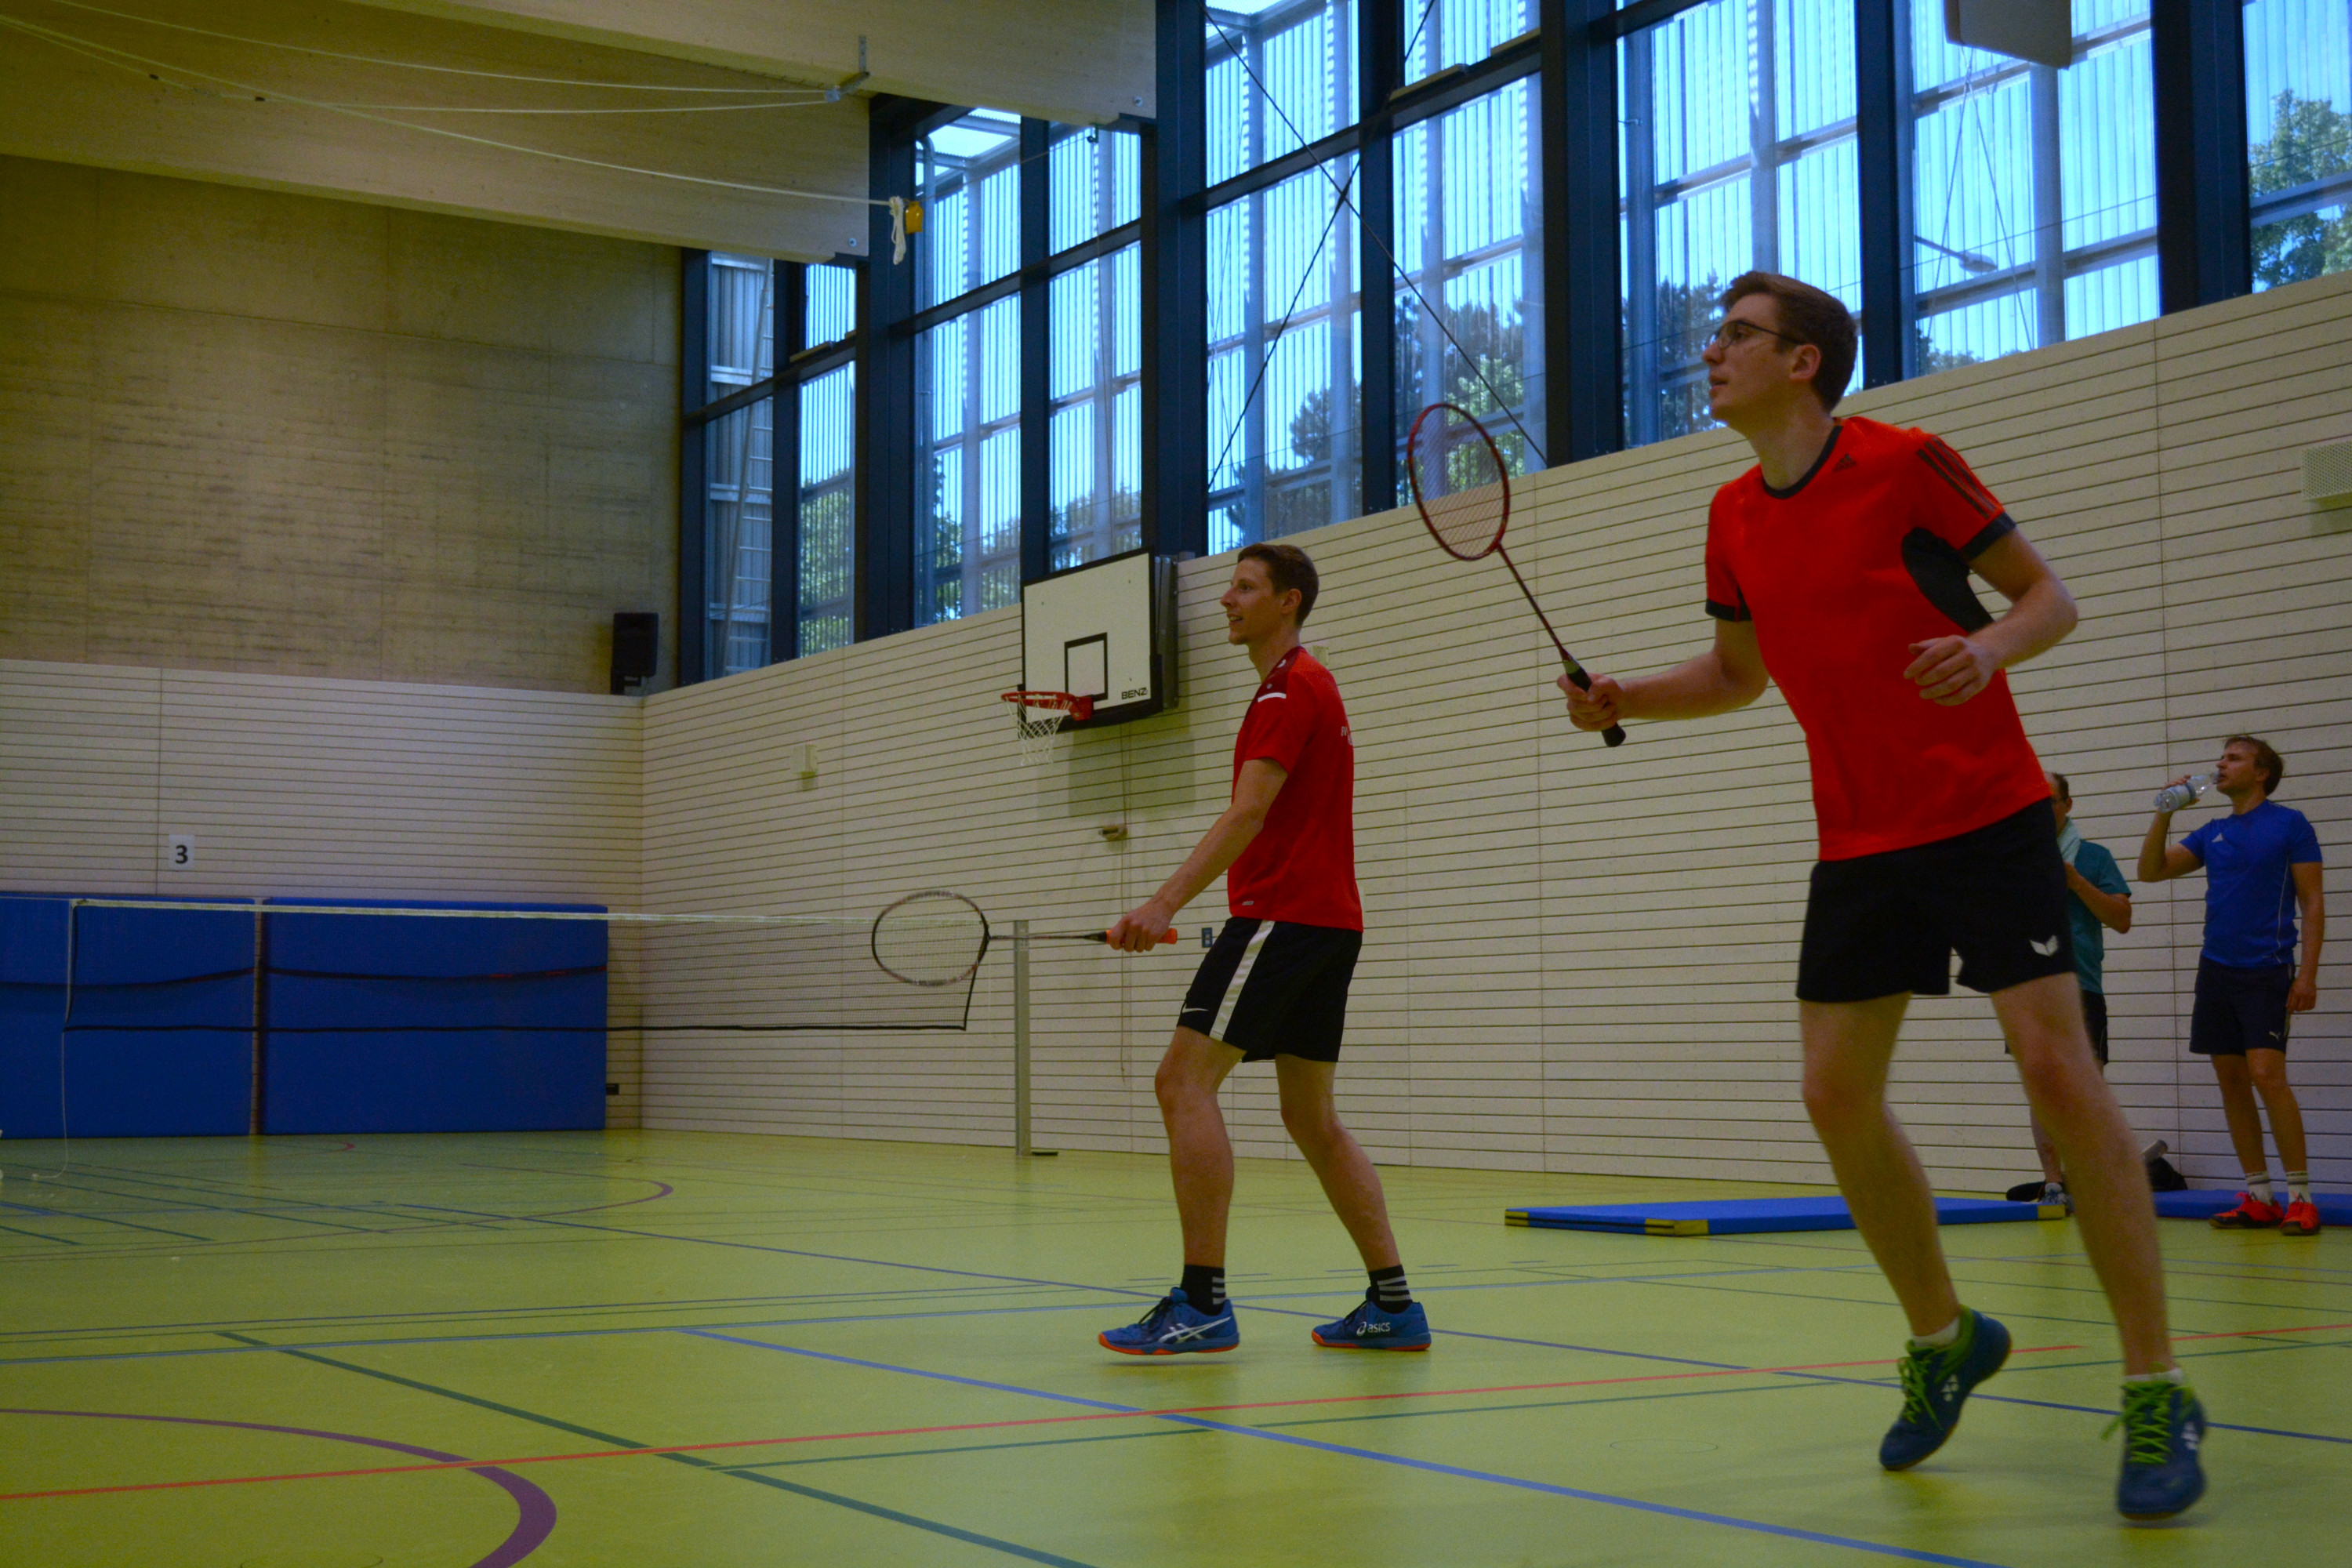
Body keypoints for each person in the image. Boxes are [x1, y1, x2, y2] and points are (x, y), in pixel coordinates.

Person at [1560, 271, 2203, 1520]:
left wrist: (1986, 648)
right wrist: (1627, 696)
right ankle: (1946, 1337)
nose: (1712, 351)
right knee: (1833, 1092)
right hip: (1859, 837)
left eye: (1738, 334)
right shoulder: (1731, 513)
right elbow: (1738, 675)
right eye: (1716, 335)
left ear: (1803, 360)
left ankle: (2155, 1384)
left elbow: (2050, 598)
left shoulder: (1906, 461)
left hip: (1988, 812)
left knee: (2056, 1070)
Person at [1097, 543, 1428, 1356]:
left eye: (1245, 587)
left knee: (1182, 1081)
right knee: (1310, 1116)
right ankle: (1394, 1304)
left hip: (1282, 914)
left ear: (1289, 601)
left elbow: (1248, 812)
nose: (1226, 600)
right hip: (1331, 923)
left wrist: (1162, 903)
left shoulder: (1287, 687)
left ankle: (1202, 1302)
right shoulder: (1308, 684)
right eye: (1230, 587)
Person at [2138, 735, 2326, 1236]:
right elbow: (2150, 871)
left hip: (2267, 968)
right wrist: (2164, 813)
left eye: (2234, 758)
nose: (2221, 765)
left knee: (2268, 1075)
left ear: (2262, 772)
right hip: (2216, 970)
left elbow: (2313, 902)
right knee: (2231, 1079)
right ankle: (2259, 1196)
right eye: (2221, 758)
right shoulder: (2213, 831)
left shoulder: (2289, 824)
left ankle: (2301, 1198)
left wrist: (2307, 974)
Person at [2004, 771, 2134, 1209]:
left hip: (2081, 985)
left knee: (2088, 1087)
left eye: (2050, 801)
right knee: (2041, 1088)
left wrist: (2076, 882)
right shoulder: (2014, 858)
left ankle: (2093, 1177)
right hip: (2028, 986)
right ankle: (2054, 1182)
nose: (2041, 810)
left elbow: (2121, 919)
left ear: (2067, 805)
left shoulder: (2094, 857)